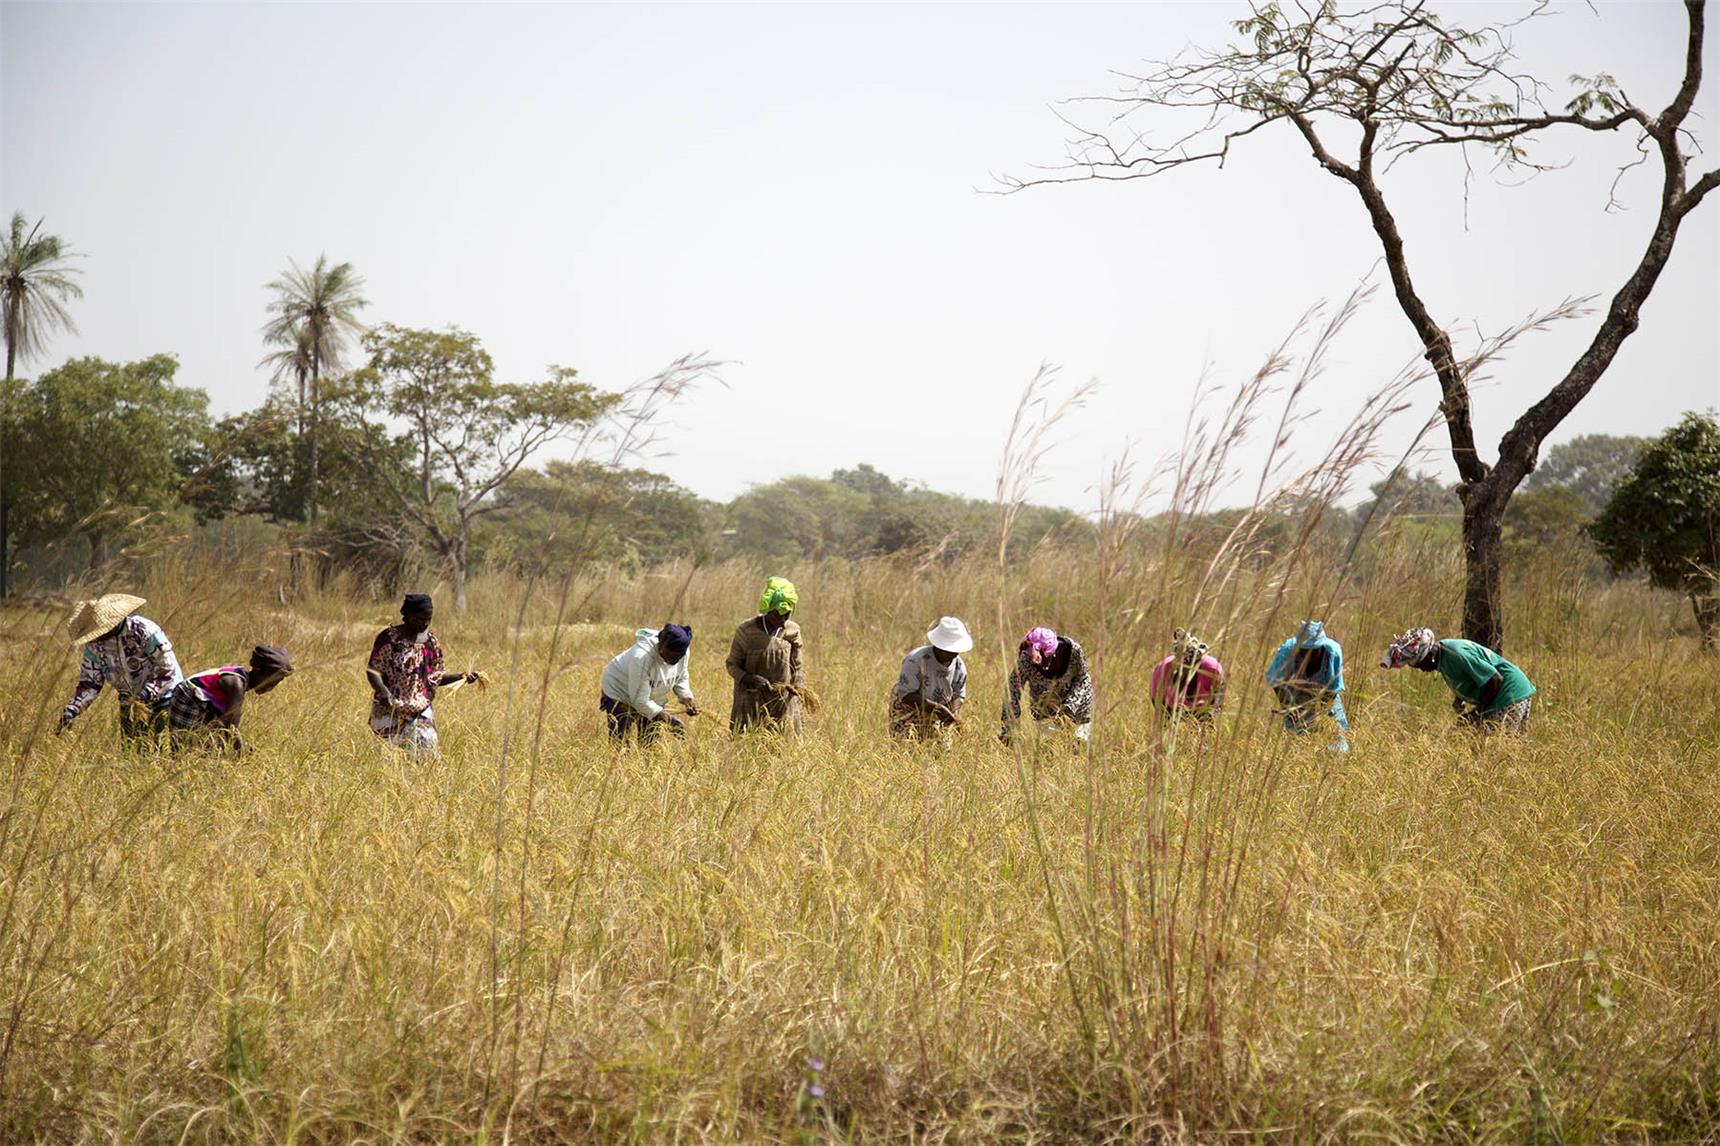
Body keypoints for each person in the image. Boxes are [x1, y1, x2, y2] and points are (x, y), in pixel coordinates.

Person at [57, 593, 184, 742]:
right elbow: (90, 683)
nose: (96, 637)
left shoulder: (143, 631)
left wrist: (144, 696)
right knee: (132, 752)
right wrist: (72, 710)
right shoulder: (93, 645)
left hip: (165, 699)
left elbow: (167, 671)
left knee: (160, 749)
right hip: (129, 703)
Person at [366, 593, 477, 757]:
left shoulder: (431, 643)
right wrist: (384, 692)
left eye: (428, 618)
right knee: (389, 758)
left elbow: (435, 678)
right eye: (420, 618)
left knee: (427, 754)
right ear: (408, 615)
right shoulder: (390, 638)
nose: (425, 622)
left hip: (420, 708)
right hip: (390, 706)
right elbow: (373, 670)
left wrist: (461, 677)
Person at [1380, 627, 1536, 733]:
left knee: (1498, 752)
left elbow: (1495, 679)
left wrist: (1477, 714)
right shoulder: (1443, 660)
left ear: (1430, 656)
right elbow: (1468, 677)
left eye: (1420, 664)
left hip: (1510, 694)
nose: (1421, 669)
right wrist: (1461, 698)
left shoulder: (1457, 654)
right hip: (1511, 694)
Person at [164, 644, 293, 752]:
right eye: (273, 681)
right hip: (187, 699)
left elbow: (227, 726)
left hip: (202, 704)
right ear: (260, 672)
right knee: (185, 749)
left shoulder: (240, 679)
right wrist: (240, 748)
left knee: (211, 749)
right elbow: (229, 725)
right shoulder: (236, 686)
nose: (272, 686)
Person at [727, 575, 807, 734]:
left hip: (782, 703)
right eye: (779, 614)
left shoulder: (792, 631)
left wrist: (797, 686)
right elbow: (732, 665)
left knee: (781, 747)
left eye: (788, 613)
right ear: (769, 610)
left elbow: (797, 667)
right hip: (750, 702)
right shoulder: (747, 631)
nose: (784, 619)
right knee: (749, 745)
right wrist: (752, 679)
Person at [600, 623, 698, 744]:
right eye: (670, 655)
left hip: (649, 694)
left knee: (650, 742)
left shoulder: (683, 651)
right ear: (661, 646)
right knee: (620, 742)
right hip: (619, 691)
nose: (674, 660)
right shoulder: (642, 658)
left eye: (678, 657)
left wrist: (687, 697)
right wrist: (669, 721)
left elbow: (681, 675)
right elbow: (639, 700)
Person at [1265, 619, 1350, 751]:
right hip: (1296, 698)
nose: (1308, 655)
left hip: (1326, 698)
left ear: (1321, 647)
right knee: (1297, 745)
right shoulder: (1287, 651)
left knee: (1337, 743)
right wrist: (1290, 707)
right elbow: (1276, 682)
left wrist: (1320, 716)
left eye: (1313, 650)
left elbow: (1332, 691)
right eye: (1304, 650)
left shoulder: (1332, 652)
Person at [999, 626, 1094, 744]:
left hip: (1078, 703)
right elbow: (1012, 688)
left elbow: (1082, 678)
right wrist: (1008, 727)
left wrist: (1068, 709)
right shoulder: (1025, 660)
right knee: (1048, 748)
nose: (1035, 662)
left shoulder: (1073, 651)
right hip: (1044, 708)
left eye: (1041, 658)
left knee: (1079, 746)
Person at [888, 616, 972, 742]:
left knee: (940, 753)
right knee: (905, 750)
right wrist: (938, 709)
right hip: (908, 711)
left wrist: (952, 714)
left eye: (956, 651)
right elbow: (906, 695)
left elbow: (958, 695)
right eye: (947, 650)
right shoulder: (915, 660)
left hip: (939, 715)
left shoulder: (959, 667)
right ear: (937, 646)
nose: (952, 655)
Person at [1150, 628, 1226, 724]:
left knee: (1205, 725)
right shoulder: (1162, 673)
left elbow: (1219, 695)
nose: (1189, 671)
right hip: (1168, 702)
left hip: (1203, 701)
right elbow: (1157, 702)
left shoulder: (1212, 669)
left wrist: (1210, 713)